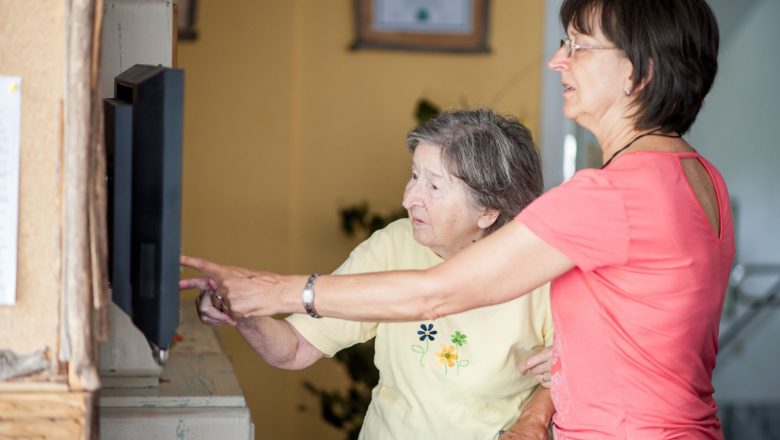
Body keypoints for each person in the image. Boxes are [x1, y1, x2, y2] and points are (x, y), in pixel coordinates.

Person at [182, 0, 734, 437]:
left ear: (638, 74)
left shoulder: (607, 195)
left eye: (577, 46)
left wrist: (277, 291)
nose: (556, 60)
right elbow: (645, 326)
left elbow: (434, 295)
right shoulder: (702, 178)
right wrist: (576, 360)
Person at [183, 108, 556, 439]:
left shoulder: (539, 268)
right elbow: (295, 349)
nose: (409, 198)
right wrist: (243, 311)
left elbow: (575, 367)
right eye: (414, 176)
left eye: (434, 186)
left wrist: (533, 419)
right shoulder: (393, 245)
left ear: (488, 212)